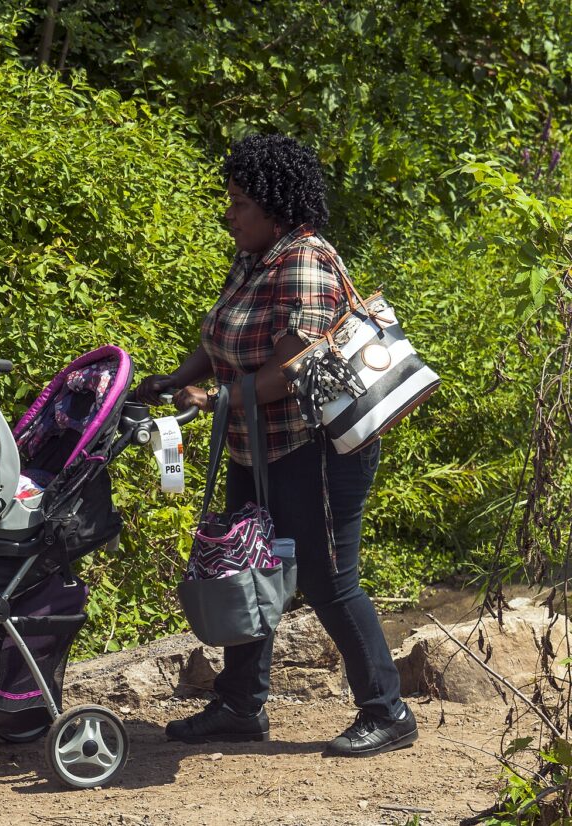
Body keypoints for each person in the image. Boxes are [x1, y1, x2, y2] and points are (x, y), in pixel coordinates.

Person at [137, 134, 417, 757]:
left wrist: (213, 401)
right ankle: (241, 705)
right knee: (246, 563)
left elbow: (286, 372)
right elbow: (223, 338)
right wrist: (180, 379)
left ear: (275, 206)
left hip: (313, 450)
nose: (228, 214)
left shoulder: (305, 262)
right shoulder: (256, 255)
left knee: (327, 579)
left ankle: (387, 709)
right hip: (254, 446)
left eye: (238, 203)